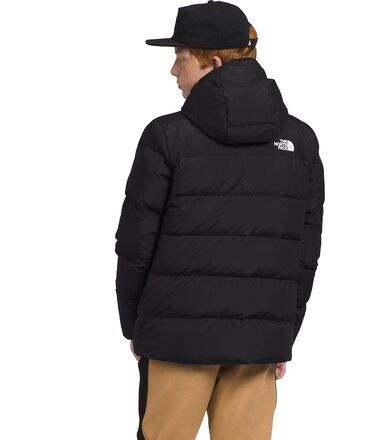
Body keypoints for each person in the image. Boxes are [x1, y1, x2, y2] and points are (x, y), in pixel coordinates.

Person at [114, 1, 325, 438]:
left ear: (213, 62)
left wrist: (136, 326)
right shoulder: (300, 141)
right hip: (257, 346)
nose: (173, 71)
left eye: (181, 57)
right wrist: (282, 332)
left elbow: (136, 243)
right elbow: (306, 250)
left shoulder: (166, 137)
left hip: (175, 341)